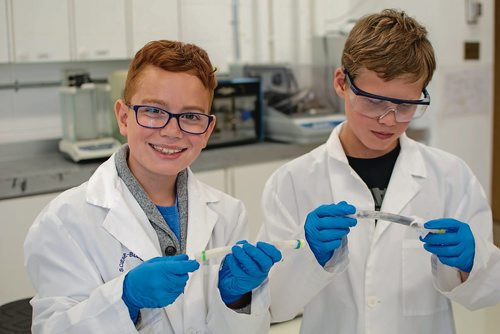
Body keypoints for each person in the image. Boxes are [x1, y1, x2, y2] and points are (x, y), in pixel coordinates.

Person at [259, 9, 500, 334]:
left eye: (405, 106)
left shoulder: (450, 176)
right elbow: (273, 305)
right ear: (342, 83)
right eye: (373, 102)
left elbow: (487, 294)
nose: (388, 120)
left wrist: (473, 262)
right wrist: (308, 256)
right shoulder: (292, 182)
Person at [24, 40, 282, 333]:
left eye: (191, 116)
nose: (172, 131)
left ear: (208, 130)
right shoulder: (66, 220)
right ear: (123, 117)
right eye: (154, 111)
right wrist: (126, 299)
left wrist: (237, 300)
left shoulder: (228, 213)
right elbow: (53, 328)